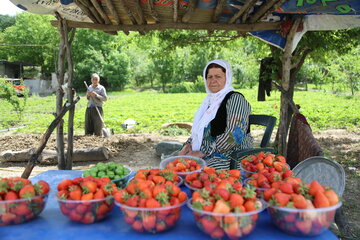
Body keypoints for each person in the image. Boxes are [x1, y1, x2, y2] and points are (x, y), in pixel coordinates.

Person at [179, 59, 253, 169]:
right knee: (173, 162)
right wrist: (188, 144)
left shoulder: (235, 99)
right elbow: (200, 130)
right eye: (209, 77)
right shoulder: (209, 102)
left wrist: (203, 152)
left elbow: (234, 136)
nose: (213, 80)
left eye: (218, 76)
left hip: (231, 155)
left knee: (196, 170)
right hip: (208, 151)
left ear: (227, 78)